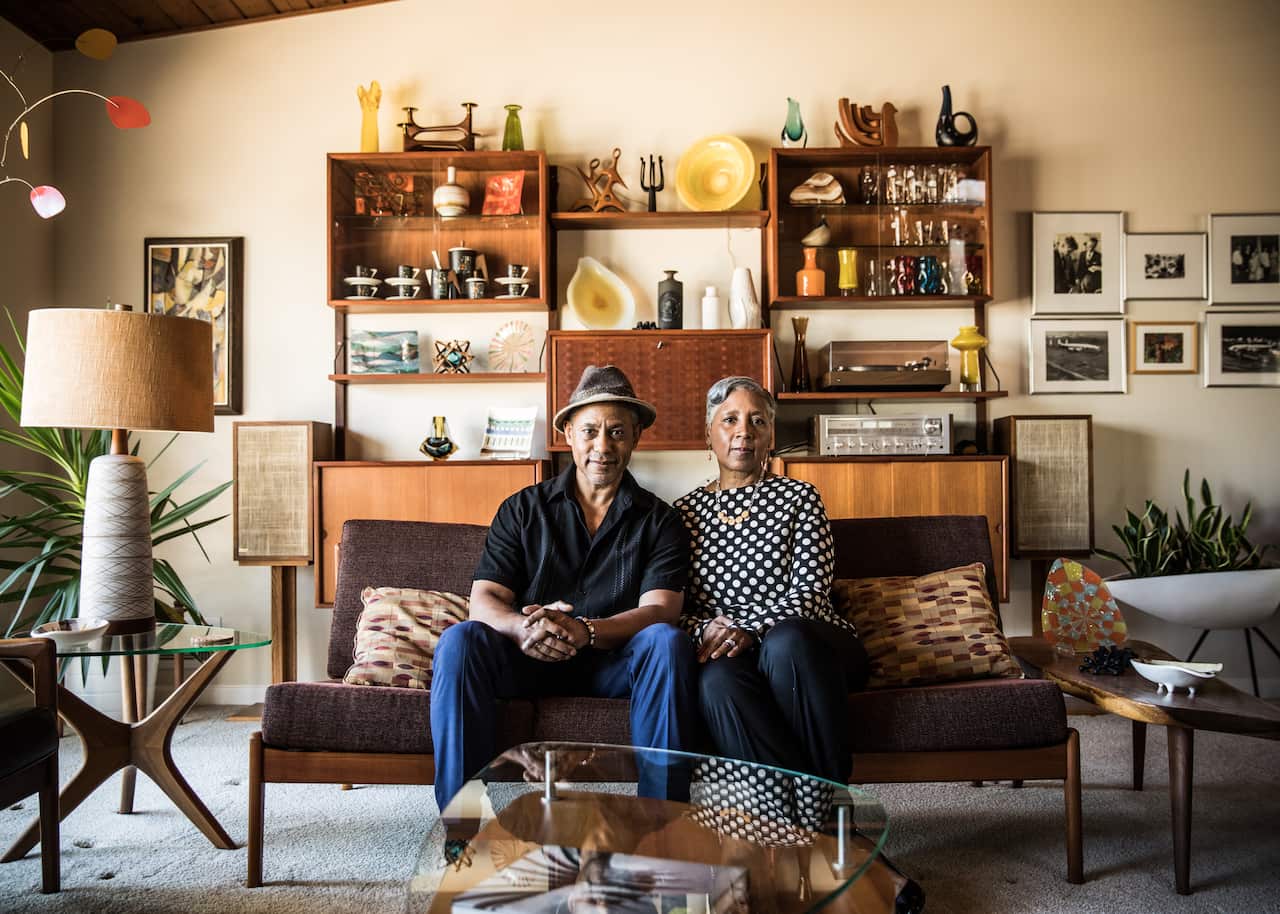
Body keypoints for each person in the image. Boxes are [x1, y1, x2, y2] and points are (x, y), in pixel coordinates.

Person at [430, 365, 696, 811]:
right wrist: (521, 628)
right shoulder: (522, 509)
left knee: (667, 642)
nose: (602, 446)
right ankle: (463, 824)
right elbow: (485, 600)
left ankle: (661, 822)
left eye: (617, 432)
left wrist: (586, 630)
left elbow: (661, 610)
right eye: (590, 431)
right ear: (569, 433)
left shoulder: (660, 520)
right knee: (460, 640)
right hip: (527, 658)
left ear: (636, 437)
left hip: (614, 662)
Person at [674, 376, 869, 784]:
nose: (744, 431)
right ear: (708, 434)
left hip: (810, 646)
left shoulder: (800, 498)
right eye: (730, 420)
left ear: (770, 436)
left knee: (785, 641)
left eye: (757, 421)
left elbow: (811, 593)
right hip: (729, 652)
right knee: (715, 681)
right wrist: (707, 630)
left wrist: (751, 629)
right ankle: (793, 804)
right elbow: (677, 608)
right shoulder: (682, 514)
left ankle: (825, 801)